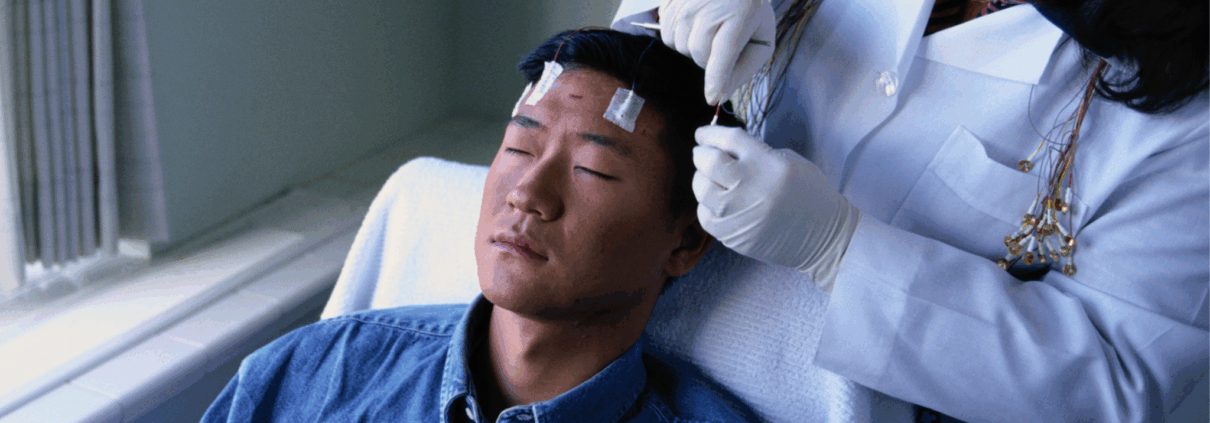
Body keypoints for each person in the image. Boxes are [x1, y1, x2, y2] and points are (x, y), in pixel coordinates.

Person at [614, 0, 1208, 421]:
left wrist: (840, 251)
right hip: (619, 351)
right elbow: (612, 83)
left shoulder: (1187, 126)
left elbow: (1113, 388)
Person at [200, 28, 757, 423]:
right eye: (519, 148)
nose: (527, 194)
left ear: (686, 240)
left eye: (592, 169)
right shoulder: (310, 375)